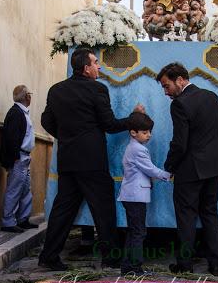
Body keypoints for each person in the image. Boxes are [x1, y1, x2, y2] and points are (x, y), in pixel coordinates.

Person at [38, 47, 143, 270]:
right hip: (92, 161)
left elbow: (46, 121)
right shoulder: (97, 90)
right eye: (96, 63)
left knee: (63, 209)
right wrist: (134, 118)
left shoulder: (56, 90)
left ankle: (49, 256)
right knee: (103, 209)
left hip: (68, 158)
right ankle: (111, 257)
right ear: (86, 68)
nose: (99, 67)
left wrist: (66, 137)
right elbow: (109, 125)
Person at [157, 62, 218, 275]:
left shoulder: (179, 104)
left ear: (180, 80)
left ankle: (185, 265)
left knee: (186, 216)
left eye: (167, 86)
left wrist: (169, 166)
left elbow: (180, 143)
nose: (166, 92)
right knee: (210, 213)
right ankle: (216, 264)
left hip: (190, 169)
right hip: (215, 167)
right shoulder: (212, 96)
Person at [117, 112, 171, 276]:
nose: (149, 135)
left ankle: (127, 267)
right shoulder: (138, 149)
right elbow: (150, 169)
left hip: (131, 195)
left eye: (149, 132)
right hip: (135, 196)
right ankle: (135, 268)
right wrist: (168, 175)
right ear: (133, 132)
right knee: (139, 232)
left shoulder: (134, 147)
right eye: (145, 132)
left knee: (134, 231)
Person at [0, 85, 38, 233]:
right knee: (14, 190)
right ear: (27, 96)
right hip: (18, 158)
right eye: (30, 94)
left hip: (24, 157)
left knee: (25, 190)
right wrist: (15, 158)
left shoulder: (22, 112)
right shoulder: (16, 113)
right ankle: (8, 222)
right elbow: (11, 138)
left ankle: (23, 219)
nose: (31, 97)